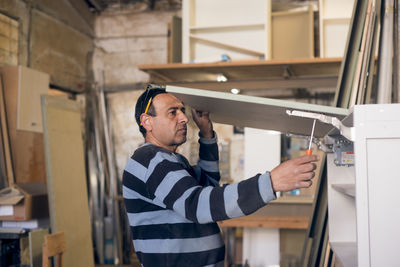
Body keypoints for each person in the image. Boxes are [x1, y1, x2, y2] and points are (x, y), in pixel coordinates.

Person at [122, 86, 319, 267]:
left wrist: (206, 134)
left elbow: (208, 185)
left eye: (182, 111)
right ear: (147, 121)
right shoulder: (150, 160)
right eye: (173, 112)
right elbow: (198, 205)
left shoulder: (172, 160)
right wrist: (271, 182)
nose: (184, 118)